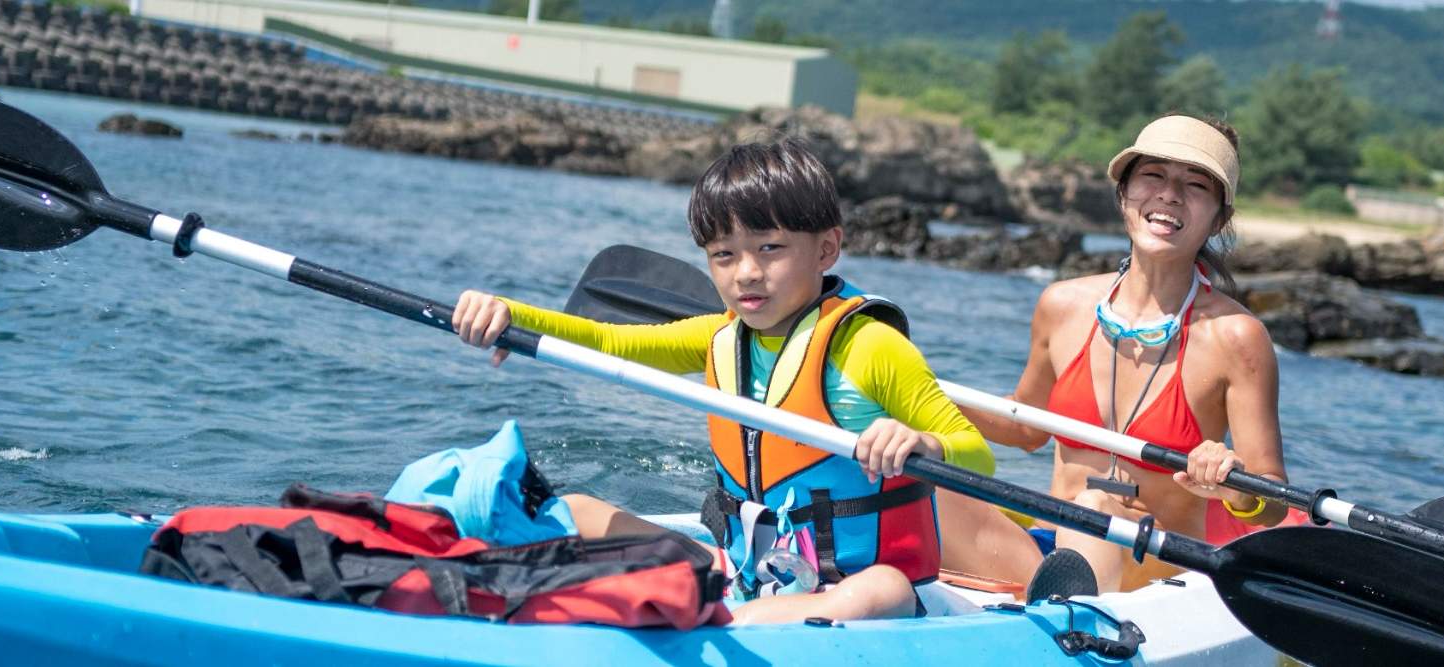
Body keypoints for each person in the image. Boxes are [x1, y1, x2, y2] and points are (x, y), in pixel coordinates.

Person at [446, 137, 1010, 624]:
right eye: (723, 254)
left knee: (883, 586)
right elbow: (609, 340)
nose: (746, 272)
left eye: (770, 248)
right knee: (574, 511)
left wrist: (924, 443)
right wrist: (511, 316)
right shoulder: (719, 337)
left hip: (856, 588)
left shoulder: (869, 345)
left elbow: (978, 457)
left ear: (826, 249)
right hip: (746, 569)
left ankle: (728, 622)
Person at [958, 114, 1296, 592]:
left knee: (1095, 512)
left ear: (1220, 218)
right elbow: (1027, 428)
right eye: (1153, 176)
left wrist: (1234, 485)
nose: (1170, 195)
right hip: (1052, 547)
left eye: (1195, 185)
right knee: (922, 485)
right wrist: (919, 395)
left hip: (1156, 570)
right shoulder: (1061, 305)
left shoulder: (1235, 337)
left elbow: (1274, 500)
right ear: (1124, 193)